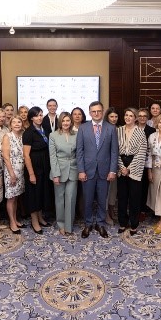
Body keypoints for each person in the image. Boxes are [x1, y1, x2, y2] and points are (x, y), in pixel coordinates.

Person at [76, 100, 119, 238]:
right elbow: (79, 151)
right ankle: (88, 224)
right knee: (87, 200)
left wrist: (112, 170)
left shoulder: (110, 128)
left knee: (102, 200)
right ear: (90, 113)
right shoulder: (83, 128)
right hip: (87, 171)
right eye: (93, 111)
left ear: (102, 111)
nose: (96, 113)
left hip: (105, 171)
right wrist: (81, 170)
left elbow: (114, 152)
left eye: (99, 111)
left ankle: (100, 223)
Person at [116, 108, 148, 234]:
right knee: (122, 197)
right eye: (126, 115)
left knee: (135, 197)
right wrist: (122, 167)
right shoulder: (118, 130)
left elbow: (142, 152)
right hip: (121, 164)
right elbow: (114, 150)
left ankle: (134, 224)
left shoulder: (140, 132)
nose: (128, 117)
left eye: (131, 115)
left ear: (135, 118)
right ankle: (123, 223)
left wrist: (129, 169)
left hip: (135, 165)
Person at [23, 107, 52, 234]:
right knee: (34, 195)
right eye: (36, 115)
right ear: (31, 118)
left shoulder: (44, 129)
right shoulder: (28, 132)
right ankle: (34, 221)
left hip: (44, 166)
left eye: (41, 115)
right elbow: (26, 155)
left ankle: (40, 218)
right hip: (34, 167)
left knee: (41, 193)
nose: (39, 117)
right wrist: (31, 174)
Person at [49, 112, 78, 236]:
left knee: (71, 198)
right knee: (60, 199)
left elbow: (80, 153)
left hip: (74, 170)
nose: (66, 123)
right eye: (63, 121)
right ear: (60, 122)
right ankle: (61, 224)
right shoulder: (53, 135)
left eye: (68, 120)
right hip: (59, 170)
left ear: (71, 122)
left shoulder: (76, 134)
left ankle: (68, 226)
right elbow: (52, 156)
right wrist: (55, 174)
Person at [2, 116, 25, 234]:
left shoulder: (22, 136)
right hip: (11, 171)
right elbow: (5, 157)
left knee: (16, 196)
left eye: (19, 122)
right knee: (11, 198)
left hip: (21, 171)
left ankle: (15, 219)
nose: (17, 124)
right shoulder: (7, 136)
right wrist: (11, 174)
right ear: (10, 125)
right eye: (14, 122)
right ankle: (11, 222)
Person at [104, 107, 120, 225]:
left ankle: (111, 210)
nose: (114, 119)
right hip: (106, 163)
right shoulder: (103, 128)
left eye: (116, 116)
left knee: (113, 191)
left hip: (117, 163)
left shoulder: (120, 129)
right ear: (107, 117)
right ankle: (106, 214)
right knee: (106, 191)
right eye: (111, 116)